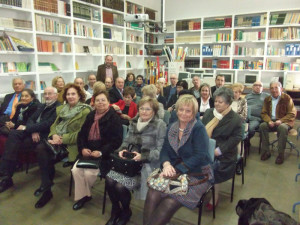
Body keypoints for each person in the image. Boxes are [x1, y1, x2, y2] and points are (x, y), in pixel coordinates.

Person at [143, 95, 213, 225]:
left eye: (188, 111)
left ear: (194, 113)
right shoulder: (173, 126)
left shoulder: (198, 128)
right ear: (177, 110)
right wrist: (166, 164)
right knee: (153, 193)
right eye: (181, 109)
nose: (184, 114)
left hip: (197, 173)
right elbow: (164, 149)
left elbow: (200, 156)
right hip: (174, 170)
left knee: (169, 202)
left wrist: (176, 169)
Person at [105, 97, 166, 225]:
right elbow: (126, 141)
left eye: (147, 109)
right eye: (141, 108)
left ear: (154, 111)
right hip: (129, 162)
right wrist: (122, 150)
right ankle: (116, 209)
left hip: (146, 165)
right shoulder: (134, 122)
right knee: (109, 180)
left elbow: (161, 151)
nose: (143, 111)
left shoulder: (160, 125)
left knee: (120, 186)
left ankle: (126, 212)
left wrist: (142, 156)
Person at [33, 83, 91, 208]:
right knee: (41, 150)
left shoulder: (85, 111)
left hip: (73, 145)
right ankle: (47, 187)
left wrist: (62, 139)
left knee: (44, 154)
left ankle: (47, 187)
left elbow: (81, 134)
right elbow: (54, 125)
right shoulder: (62, 109)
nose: (70, 96)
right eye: (68, 94)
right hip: (56, 143)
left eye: (73, 94)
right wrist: (54, 135)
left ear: (79, 95)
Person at [0, 87, 60, 193]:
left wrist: (28, 128)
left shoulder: (58, 107)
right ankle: (6, 176)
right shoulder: (42, 105)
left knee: (13, 144)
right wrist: (32, 130)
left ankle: (6, 173)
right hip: (33, 133)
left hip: (45, 135)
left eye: (50, 94)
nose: (47, 96)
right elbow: (31, 119)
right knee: (13, 135)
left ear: (56, 95)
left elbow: (48, 124)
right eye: (45, 93)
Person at [72, 90, 123, 210]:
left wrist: (100, 152)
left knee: (89, 173)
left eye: (103, 100)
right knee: (76, 170)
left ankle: (84, 196)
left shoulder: (114, 118)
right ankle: (86, 195)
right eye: (97, 100)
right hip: (87, 152)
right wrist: (83, 148)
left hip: (104, 155)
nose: (100, 103)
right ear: (93, 102)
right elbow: (81, 135)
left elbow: (116, 141)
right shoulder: (90, 116)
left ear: (108, 102)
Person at [202, 87, 243, 210]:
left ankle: (215, 196)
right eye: (215, 101)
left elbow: (237, 137)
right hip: (206, 149)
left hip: (224, 153)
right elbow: (201, 130)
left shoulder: (235, 118)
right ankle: (200, 189)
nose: (217, 104)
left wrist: (218, 151)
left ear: (228, 103)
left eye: (220, 102)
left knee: (214, 167)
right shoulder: (209, 113)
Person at [260, 81, 296, 165]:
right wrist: (269, 120)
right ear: (269, 90)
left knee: (282, 127)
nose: (274, 90)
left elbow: (292, 113)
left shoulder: (287, 98)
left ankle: (280, 154)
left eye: (276, 87)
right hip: (272, 121)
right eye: (272, 88)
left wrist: (281, 121)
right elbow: (263, 113)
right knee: (262, 126)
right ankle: (266, 151)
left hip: (285, 122)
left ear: (281, 89)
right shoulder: (267, 99)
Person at [245, 81, 269, 146]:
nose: (258, 87)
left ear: (262, 88)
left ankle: (246, 140)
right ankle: (239, 143)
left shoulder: (267, 96)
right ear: (252, 87)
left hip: (256, 118)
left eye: (260, 85)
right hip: (246, 116)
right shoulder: (247, 96)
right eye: (256, 85)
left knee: (251, 128)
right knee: (238, 126)